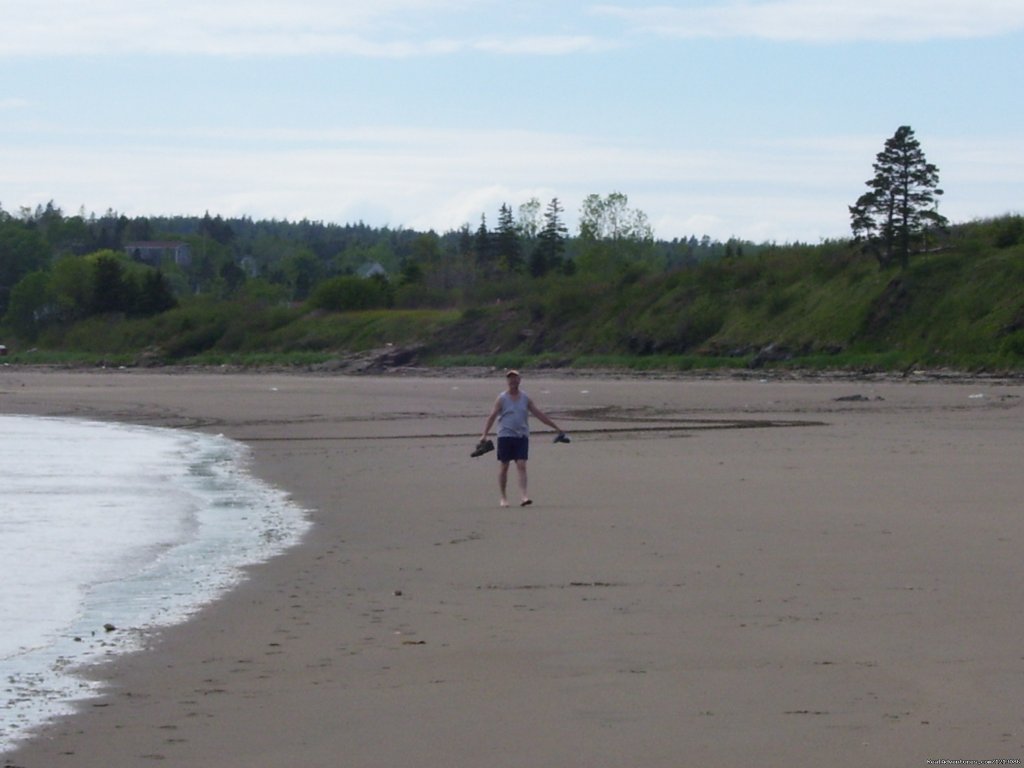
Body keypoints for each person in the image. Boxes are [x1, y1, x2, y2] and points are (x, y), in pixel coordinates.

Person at [480, 369, 567, 507]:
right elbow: (492, 416)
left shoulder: (525, 398)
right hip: (505, 435)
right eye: (510, 378)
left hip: (521, 436)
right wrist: (484, 434)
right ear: (507, 381)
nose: (513, 381)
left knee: (522, 465)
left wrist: (556, 428)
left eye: (515, 378)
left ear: (519, 380)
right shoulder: (502, 398)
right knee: (504, 466)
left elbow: (538, 414)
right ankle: (503, 498)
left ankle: (524, 496)